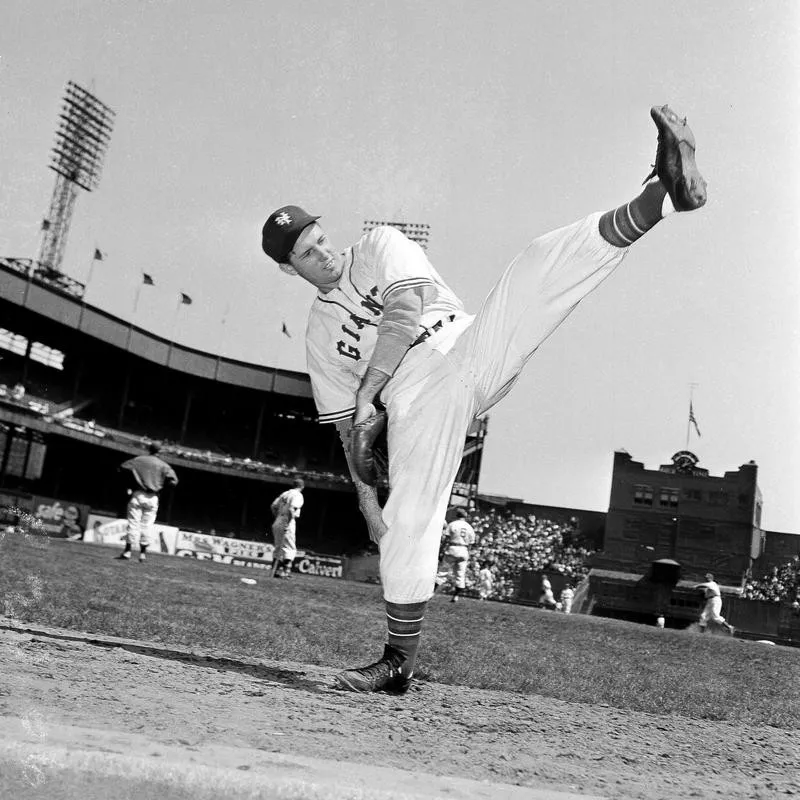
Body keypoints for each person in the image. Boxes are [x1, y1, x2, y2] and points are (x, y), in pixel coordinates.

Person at [260, 104, 708, 694]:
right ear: (292, 269)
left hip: (467, 346)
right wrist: (368, 503)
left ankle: (660, 198)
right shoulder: (320, 336)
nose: (320, 252)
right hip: (419, 403)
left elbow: (405, 309)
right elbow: (350, 433)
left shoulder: (378, 245)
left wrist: (369, 388)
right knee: (408, 516)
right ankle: (398, 661)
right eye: (304, 252)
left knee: (534, 267)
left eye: (317, 237)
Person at [117, 442, 178, 562]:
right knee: (147, 525)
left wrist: (131, 481)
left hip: (138, 493)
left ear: (149, 449)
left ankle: (128, 552)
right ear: (159, 452)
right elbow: (174, 481)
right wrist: (161, 486)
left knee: (133, 523)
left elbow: (122, 467)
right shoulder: (164, 465)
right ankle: (142, 554)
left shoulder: (139, 459)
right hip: (153, 497)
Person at [435, 508, 477, 603]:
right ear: (465, 516)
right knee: (460, 574)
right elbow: (471, 543)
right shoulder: (469, 527)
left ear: (456, 515)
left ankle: (432, 592)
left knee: (443, 571)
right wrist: (467, 553)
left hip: (453, 548)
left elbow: (446, 540)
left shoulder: (453, 524)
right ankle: (456, 596)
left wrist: (441, 551)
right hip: (464, 550)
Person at [270, 478, 305, 578]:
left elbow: (273, 506)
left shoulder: (285, 493)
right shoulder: (298, 495)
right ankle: (285, 572)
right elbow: (291, 508)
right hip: (287, 520)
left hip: (278, 520)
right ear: (302, 487)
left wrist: (278, 517)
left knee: (278, 547)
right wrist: (288, 522)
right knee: (290, 548)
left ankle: (275, 571)